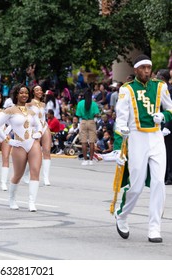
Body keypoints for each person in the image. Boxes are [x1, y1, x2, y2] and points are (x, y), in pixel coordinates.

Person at [114, 54, 172, 243]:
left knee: (158, 184)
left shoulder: (160, 86)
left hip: (156, 137)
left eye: (149, 67)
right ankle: (122, 215)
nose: (147, 71)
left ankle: (154, 228)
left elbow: (171, 109)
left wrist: (163, 116)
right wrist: (118, 147)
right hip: (136, 137)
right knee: (137, 186)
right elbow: (120, 120)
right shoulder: (127, 90)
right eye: (143, 68)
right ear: (136, 70)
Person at [0, 84, 43, 212]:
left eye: (26, 93)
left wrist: (39, 133)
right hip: (19, 145)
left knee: (35, 171)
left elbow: (39, 125)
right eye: (21, 93)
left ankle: (32, 202)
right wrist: (8, 140)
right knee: (18, 175)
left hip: (33, 143)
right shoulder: (10, 110)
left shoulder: (31, 111)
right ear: (16, 95)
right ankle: (12, 198)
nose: (24, 95)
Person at [75, 88, 100, 165]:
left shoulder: (80, 103)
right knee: (92, 142)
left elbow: (78, 114)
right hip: (91, 121)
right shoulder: (94, 104)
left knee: (84, 142)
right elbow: (97, 114)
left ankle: (85, 160)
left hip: (83, 122)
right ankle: (91, 160)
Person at [156, 69, 172, 185]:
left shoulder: (169, 90)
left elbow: (170, 109)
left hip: (169, 126)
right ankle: (165, 174)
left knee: (169, 151)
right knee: (162, 151)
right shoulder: (159, 90)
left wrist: (167, 126)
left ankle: (169, 176)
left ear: (162, 78)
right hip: (161, 125)